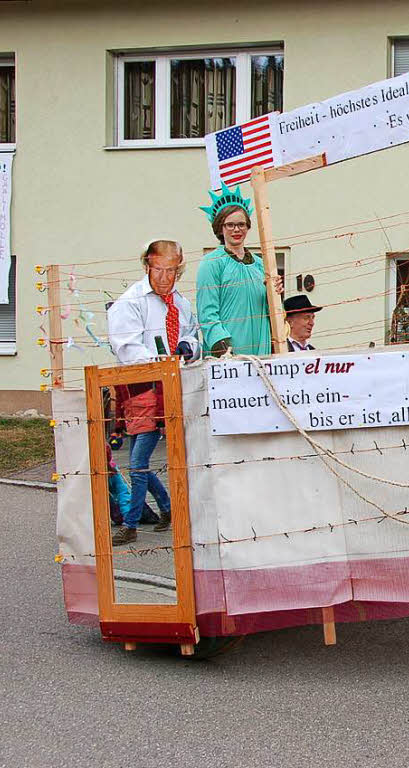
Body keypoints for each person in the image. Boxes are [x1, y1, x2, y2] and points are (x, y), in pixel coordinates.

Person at [106, 239, 198, 546]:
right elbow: (127, 348)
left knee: (139, 462)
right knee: (138, 461)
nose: (164, 278)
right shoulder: (130, 302)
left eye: (171, 271)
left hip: (175, 392)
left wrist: (188, 348)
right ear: (148, 266)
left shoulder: (181, 304)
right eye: (158, 270)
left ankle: (158, 513)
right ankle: (143, 518)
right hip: (143, 392)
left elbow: (194, 336)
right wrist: (162, 363)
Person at [196, 182, 282, 357]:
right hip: (229, 353)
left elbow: (271, 312)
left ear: (248, 227)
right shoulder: (211, 263)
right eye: (230, 225)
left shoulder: (261, 265)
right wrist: (222, 347)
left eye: (241, 224)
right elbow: (207, 313)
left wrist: (275, 295)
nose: (236, 229)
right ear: (220, 227)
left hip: (260, 347)